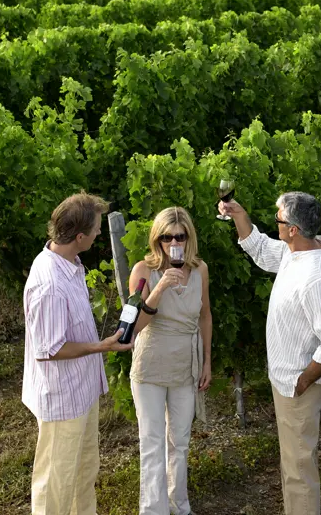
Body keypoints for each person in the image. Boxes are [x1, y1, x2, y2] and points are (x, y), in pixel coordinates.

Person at [219, 191, 321, 515]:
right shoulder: (298, 250)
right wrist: (238, 214)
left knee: (299, 472)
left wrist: (303, 381)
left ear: (293, 229)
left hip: (296, 387)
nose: (274, 222)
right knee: (292, 465)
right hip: (286, 382)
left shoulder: (313, 279)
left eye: (278, 219)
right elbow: (262, 250)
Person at [22, 191, 134, 515]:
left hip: (81, 392)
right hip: (62, 401)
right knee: (55, 484)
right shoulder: (49, 284)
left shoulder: (70, 263)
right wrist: (100, 347)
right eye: (97, 229)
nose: (100, 233)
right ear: (80, 236)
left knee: (84, 473)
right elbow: (49, 350)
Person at [127, 206, 213, 515]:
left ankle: (180, 507)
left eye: (180, 236)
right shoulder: (142, 271)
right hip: (150, 366)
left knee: (181, 441)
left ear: (189, 237)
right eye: (166, 237)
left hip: (185, 366)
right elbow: (134, 327)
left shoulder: (200, 269)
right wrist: (160, 287)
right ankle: (153, 510)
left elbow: (205, 317)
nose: (173, 243)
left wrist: (206, 363)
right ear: (157, 239)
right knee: (152, 443)